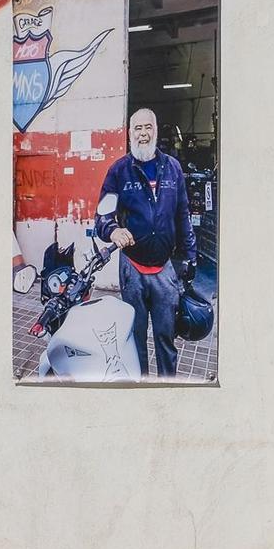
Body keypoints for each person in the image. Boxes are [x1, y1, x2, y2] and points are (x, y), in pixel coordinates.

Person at [94, 107, 194, 378]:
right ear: (130, 134)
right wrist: (113, 231)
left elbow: (182, 214)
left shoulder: (173, 168)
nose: (143, 134)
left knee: (165, 337)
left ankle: (167, 388)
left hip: (165, 270)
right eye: (137, 128)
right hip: (132, 269)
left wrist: (189, 258)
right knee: (135, 337)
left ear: (156, 130)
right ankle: (141, 388)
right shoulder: (119, 171)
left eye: (148, 127)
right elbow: (102, 215)